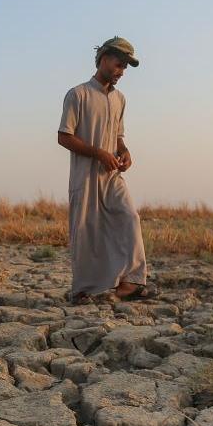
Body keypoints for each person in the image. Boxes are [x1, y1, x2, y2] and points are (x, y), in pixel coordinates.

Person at [57, 36, 153, 305]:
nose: (121, 71)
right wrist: (98, 153)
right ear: (102, 59)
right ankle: (86, 290)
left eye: (124, 67)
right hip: (85, 175)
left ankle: (131, 283)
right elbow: (64, 137)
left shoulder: (120, 99)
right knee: (88, 230)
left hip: (112, 176)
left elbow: (118, 135)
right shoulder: (78, 94)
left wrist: (123, 150)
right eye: (118, 64)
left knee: (128, 217)